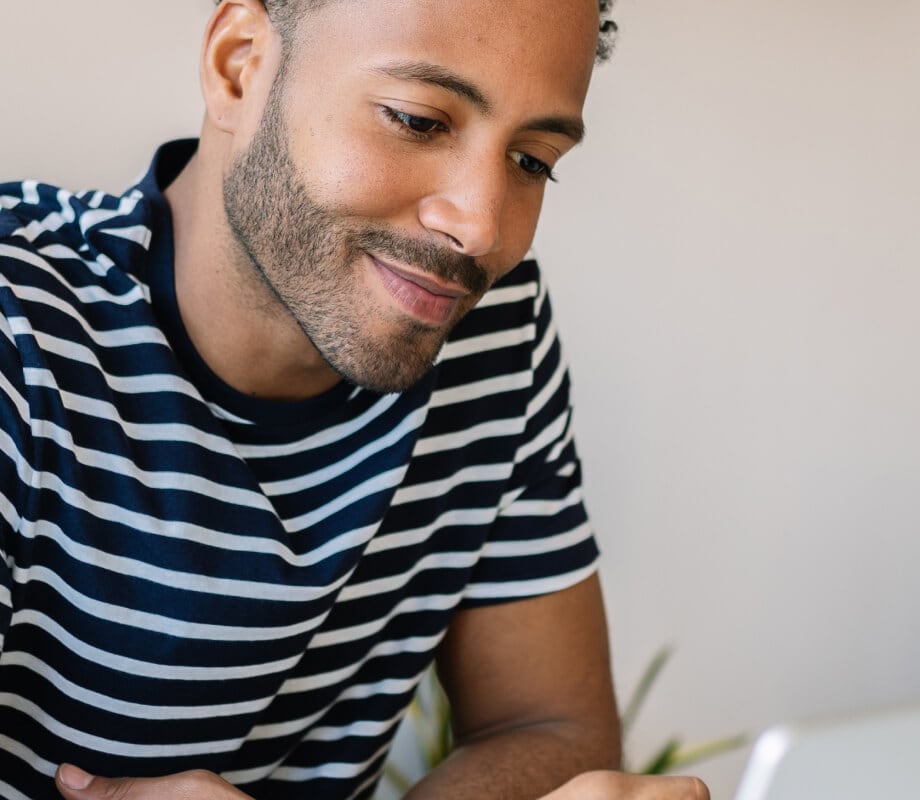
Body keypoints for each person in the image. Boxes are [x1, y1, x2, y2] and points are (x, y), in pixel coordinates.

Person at [0, 1, 707, 798]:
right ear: (239, 65)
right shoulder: (19, 330)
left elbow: (551, 726)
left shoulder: (484, 324)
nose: (479, 228)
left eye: (530, 160)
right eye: (418, 120)